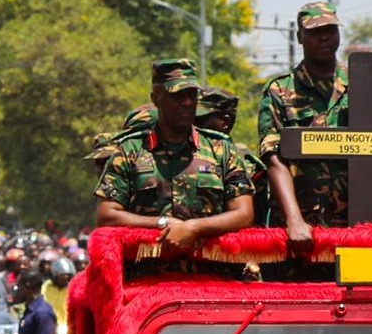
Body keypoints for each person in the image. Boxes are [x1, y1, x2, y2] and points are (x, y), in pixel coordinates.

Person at [94, 59, 257, 254]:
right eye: (177, 95)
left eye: (192, 94)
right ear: (156, 99)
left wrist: (193, 228)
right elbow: (107, 216)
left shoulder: (222, 149)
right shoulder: (129, 151)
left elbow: (244, 214)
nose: (187, 102)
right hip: (147, 276)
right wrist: (162, 223)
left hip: (212, 275)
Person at [256, 2, 353, 245]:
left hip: (355, 227)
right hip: (299, 231)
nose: (324, 38)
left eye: (330, 31)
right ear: (300, 36)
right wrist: (294, 219)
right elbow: (273, 158)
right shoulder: (280, 91)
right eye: (314, 32)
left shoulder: (362, 86)